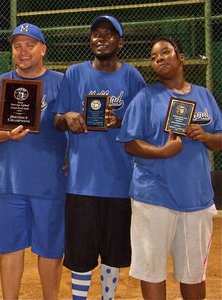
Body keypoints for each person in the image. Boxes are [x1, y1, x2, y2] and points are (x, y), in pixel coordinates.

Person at [117, 36, 222, 300]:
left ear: (181, 57)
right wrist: (162, 152)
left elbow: (219, 139)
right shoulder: (145, 98)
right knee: (152, 271)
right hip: (154, 197)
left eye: (165, 52)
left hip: (195, 197)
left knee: (193, 273)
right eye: (154, 57)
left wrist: (206, 137)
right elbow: (130, 143)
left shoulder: (204, 95)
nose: (159, 58)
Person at [53, 15, 146, 300]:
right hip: (81, 182)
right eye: (95, 33)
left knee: (113, 254)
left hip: (119, 181)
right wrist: (67, 117)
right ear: (89, 40)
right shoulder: (74, 73)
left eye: (109, 33)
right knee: (80, 255)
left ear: (121, 41)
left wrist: (120, 121)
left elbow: (143, 124)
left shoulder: (132, 77)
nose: (101, 38)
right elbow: (56, 120)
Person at [0, 23, 67, 299]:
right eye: (17, 46)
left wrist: (74, 158)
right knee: (11, 248)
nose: (23, 51)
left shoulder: (62, 82)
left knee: (51, 249)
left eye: (29, 45)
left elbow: (74, 123)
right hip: (8, 184)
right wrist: (6, 134)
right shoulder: (0, 83)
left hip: (50, 184)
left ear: (43, 49)